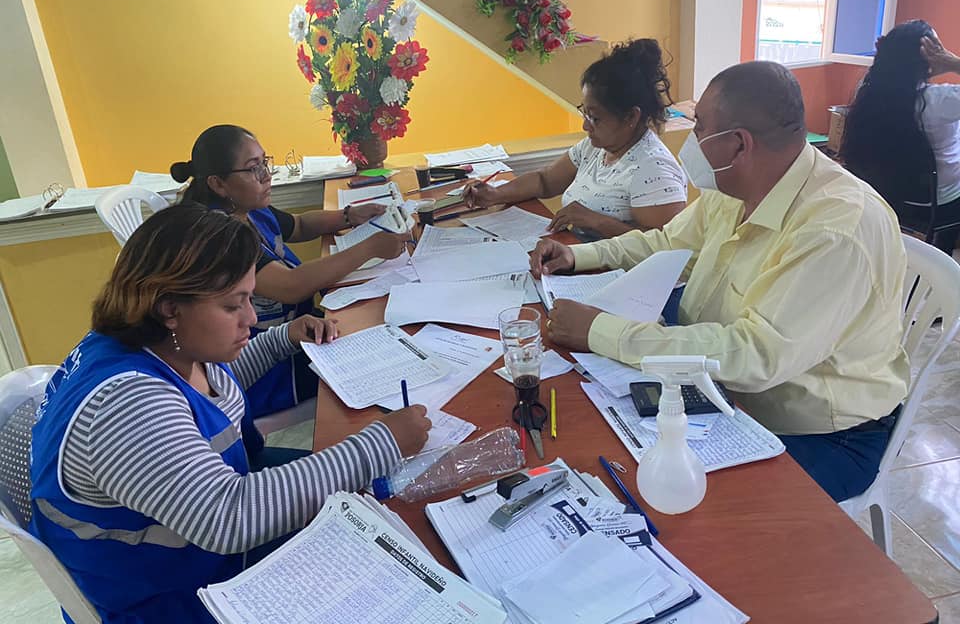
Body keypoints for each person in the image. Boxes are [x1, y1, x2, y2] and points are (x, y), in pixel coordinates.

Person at [30, 204, 431, 623]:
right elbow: (228, 516)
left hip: (196, 545)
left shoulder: (157, 340)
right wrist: (379, 444)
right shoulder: (127, 406)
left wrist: (281, 339)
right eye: (233, 305)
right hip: (169, 596)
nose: (251, 317)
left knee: (380, 504)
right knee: (390, 562)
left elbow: (204, 392)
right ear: (170, 308)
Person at [530, 61, 909, 503]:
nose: (691, 140)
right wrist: (578, 255)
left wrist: (599, 331)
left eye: (699, 127)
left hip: (820, 433)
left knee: (672, 503)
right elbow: (669, 242)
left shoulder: (834, 230)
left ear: (739, 144)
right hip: (724, 389)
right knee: (598, 445)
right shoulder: (737, 186)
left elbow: (755, 354)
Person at [171, 125, 411, 417]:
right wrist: (369, 248)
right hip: (261, 362)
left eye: (265, 163)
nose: (266, 175)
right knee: (375, 359)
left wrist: (347, 216)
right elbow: (290, 286)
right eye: (253, 168)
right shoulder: (219, 237)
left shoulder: (249, 208)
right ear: (218, 184)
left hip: (295, 331)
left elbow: (298, 225)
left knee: (375, 331)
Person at [463, 39, 687, 239]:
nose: (585, 126)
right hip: (580, 255)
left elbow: (664, 246)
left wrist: (597, 222)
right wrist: (496, 194)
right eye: (585, 113)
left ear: (631, 116)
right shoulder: (596, 147)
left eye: (595, 118)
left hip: (619, 270)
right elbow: (545, 181)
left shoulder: (653, 169)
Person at [842, 19, 960, 254]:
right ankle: (942, 257)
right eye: (937, 49)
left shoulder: (868, 94)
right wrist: (954, 62)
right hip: (937, 205)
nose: (942, 53)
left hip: (889, 194)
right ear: (928, 58)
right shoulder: (941, 101)